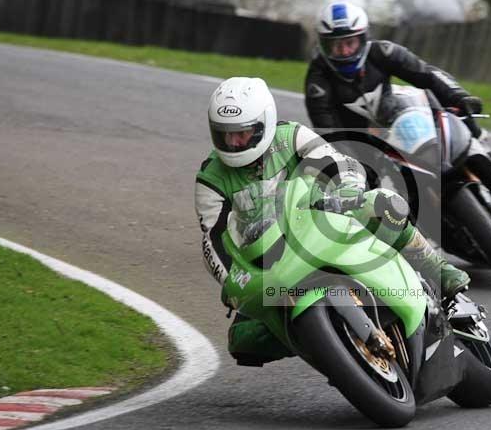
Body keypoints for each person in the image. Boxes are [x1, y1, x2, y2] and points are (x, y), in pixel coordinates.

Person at [195, 77, 470, 366]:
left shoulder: (291, 137)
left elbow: (338, 163)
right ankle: (327, 346)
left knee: (384, 204)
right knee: (242, 340)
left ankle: (438, 271)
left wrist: (347, 192)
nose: (234, 142)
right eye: (225, 134)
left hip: (325, 222)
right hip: (273, 261)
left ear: (265, 123)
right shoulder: (210, 179)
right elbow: (212, 240)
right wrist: (231, 282)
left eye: (243, 132)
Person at [304, 1, 491, 196]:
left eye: (349, 43)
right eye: (335, 46)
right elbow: (330, 132)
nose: (344, 52)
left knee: (448, 103)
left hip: (395, 117)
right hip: (364, 143)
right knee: (365, 197)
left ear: (363, 39)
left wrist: (458, 96)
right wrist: (353, 166)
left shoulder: (384, 52)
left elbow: (428, 75)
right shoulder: (317, 80)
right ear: (323, 46)